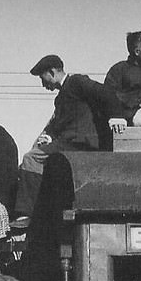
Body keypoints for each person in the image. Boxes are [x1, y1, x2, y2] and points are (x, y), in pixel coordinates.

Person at [14, 54, 127, 225]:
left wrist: (117, 116)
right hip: (68, 144)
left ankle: (27, 215)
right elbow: (59, 124)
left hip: (80, 144)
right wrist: (49, 136)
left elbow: (105, 92)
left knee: (31, 159)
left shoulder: (77, 82)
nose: (42, 83)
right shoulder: (61, 98)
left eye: (42, 77)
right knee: (33, 161)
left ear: (51, 72)